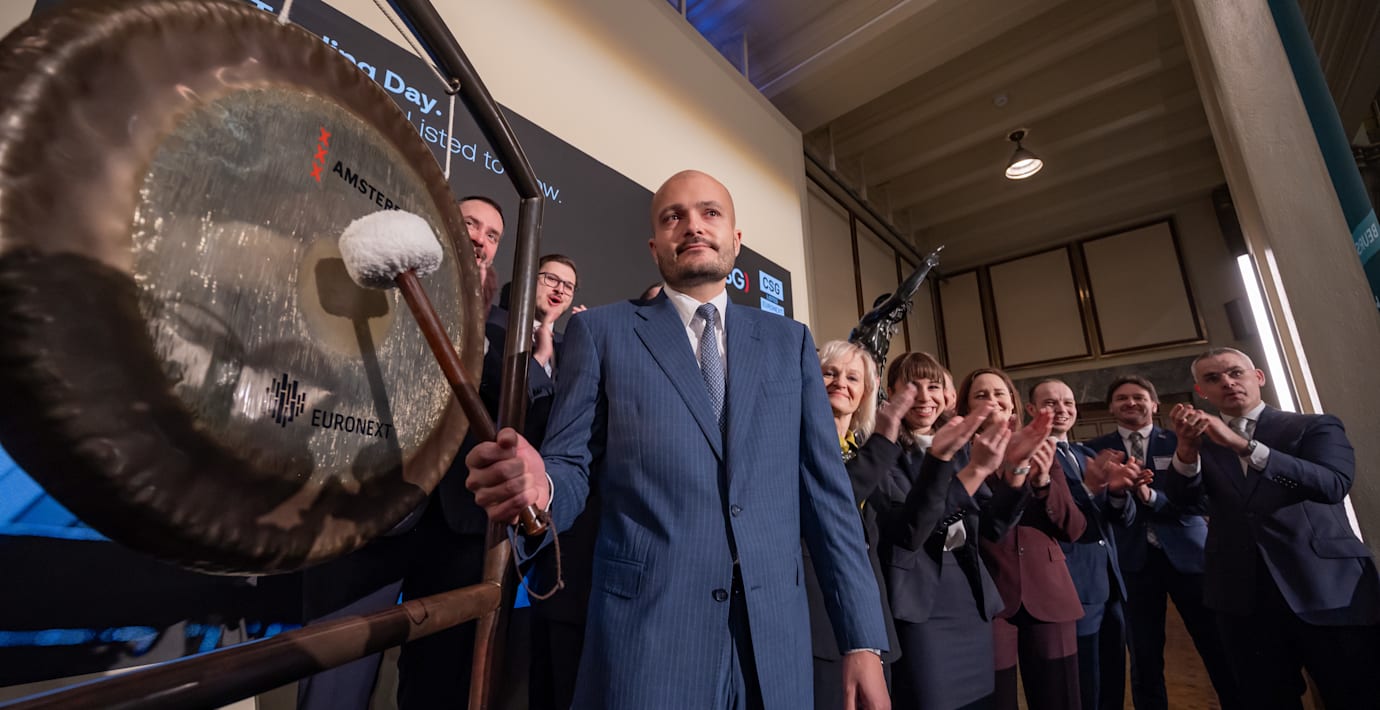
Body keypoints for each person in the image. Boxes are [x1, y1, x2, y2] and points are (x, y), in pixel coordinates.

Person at [466, 170, 890, 709]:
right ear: (654, 246)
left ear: (736, 238)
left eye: (710, 213)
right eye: (673, 217)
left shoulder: (790, 344)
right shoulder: (603, 333)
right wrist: (541, 487)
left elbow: (829, 503)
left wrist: (861, 639)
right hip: (647, 639)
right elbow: (571, 465)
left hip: (774, 648)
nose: (693, 226)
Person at [297, 195, 515, 710]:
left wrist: (480, 334)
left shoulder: (505, 330)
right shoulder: (377, 295)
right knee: (336, 676)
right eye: (471, 225)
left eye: (492, 235)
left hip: (457, 525)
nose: (480, 240)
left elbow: (512, 410)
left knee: (438, 684)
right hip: (374, 507)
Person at [1166, 347, 1380, 710]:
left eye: (1236, 373)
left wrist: (1243, 446)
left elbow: (1333, 485)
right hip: (1241, 597)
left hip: (1325, 588)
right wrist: (1186, 450)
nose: (1227, 383)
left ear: (1258, 377)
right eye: (1213, 379)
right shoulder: (1202, 443)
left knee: (1355, 695)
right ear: (1201, 391)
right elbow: (1184, 504)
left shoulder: (1313, 426)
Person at [871, 353, 1037, 710]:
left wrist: (1017, 471)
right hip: (920, 603)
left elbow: (993, 527)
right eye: (912, 386)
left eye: (933, 387)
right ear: (891, 393)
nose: (925, 397)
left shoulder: (962, 447)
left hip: (968, 594)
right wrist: (974, 472)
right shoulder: (882, 450)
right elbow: (911, 531)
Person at [1085, 375, 1239, 710]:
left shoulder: (1183, 441)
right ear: (1111, 407)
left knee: (1217, 645)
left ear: (1154, 405)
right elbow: (1094, 508)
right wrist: (1118, 494)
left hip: (1190, 558)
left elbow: (1203, 502)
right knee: (1144, 656)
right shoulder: (1095, 450)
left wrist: (1151, 496)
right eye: (1122, 398)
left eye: (1139, 397)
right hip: (1131, 562)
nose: (1130, 403)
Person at [964, 368, 1083, 710]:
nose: (992, 400)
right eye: (981, 395)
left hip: (1049, 592)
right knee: (996, 699)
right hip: (990, 596)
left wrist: (1044, 482)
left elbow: (1073, 528)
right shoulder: (959, 455)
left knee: (1059, 698)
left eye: (999, 393)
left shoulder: (1043, 448)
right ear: (966, 406)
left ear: (1013, 403)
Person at [803, 340, 904, 709]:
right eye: (829, 373)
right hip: (819, 626)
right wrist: (884, 442)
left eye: (852, 377)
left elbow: (903, 531)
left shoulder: (866, 452)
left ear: (865, 393)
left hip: (873, 628)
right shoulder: (794, 446)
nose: (840, 383)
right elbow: (830, 501)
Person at [1028, 378, 1138, 710]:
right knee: (1083, 688)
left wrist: (1118, 492)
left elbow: (1119, 519)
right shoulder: (1032, 457)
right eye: (1051, 403)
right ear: (1031, 410)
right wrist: (1090, 488)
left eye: (1068, 402)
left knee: (1112, 685)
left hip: (1109, 585)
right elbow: (1056, 518)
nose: (1062, 409)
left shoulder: (1086, 453)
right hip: (1070, 586)